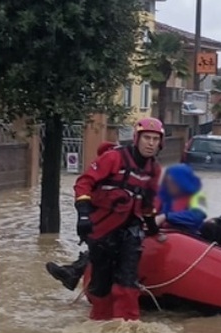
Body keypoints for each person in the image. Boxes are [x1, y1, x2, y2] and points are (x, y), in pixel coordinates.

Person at [70, 118, 164, 321]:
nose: (151, 143)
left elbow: (148, 204)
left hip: (131, 230)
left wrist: (153, 229)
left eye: (155, 139)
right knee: (101, 284)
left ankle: (128, 326)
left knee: (128, 280)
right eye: (147, 138)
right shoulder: (113, 158)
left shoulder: (154, 170)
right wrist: (83, 215)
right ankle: (100, 321)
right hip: (102, 229)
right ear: (137, 139)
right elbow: (84, 183)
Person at [45, 141, 119, 291]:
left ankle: (73, 272)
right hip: (101, 222)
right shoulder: (102, 174)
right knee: (97, 248)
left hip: (118, 224)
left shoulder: (129, 173)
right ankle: (74, 272)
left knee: (101, 248)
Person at [154, 163, 208, 235]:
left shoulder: (199, 196)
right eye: (167, 181)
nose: (169, 184)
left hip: (189, 235)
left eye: (172, 182)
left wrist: (166, 216)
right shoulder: (163, 193)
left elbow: (197, 217)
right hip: (164, 234)